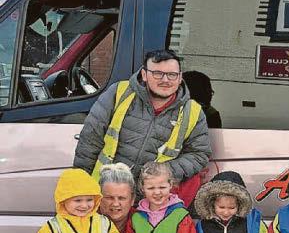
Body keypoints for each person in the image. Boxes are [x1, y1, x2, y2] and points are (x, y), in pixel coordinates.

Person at [72, 49, 211, 205]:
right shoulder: (119, 93)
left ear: (180, 78)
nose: (165, 80)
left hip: (150, 204)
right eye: (157, 73)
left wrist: (165, 171)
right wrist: (80, 185)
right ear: (144, 75)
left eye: (172, 75)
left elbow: (199, 154)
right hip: (107, 195)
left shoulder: (193, 111)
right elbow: (90, 141)